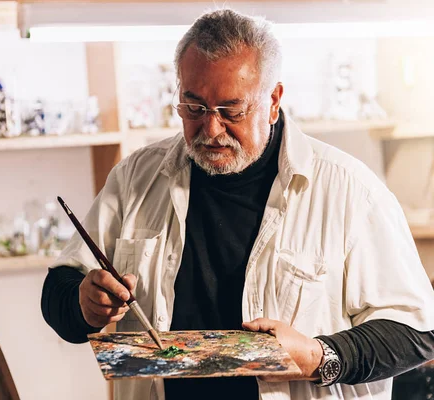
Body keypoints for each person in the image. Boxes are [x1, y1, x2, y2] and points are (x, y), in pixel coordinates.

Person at [41, 8, 434, 400]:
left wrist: (318, 356)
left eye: (231, 110)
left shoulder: (350, 192)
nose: (211, 129)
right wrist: (83, 304)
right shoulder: (135, 179)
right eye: (194, 108)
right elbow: (58, 291)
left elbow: (417, 332)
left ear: (274, 100)